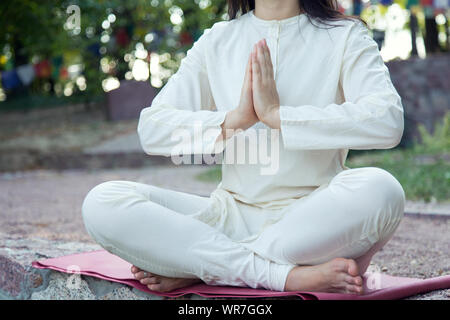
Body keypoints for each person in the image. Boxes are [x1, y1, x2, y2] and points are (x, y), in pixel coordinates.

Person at [82, 0, 405, 294]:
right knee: (104, 202)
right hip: (229, 215)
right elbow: (152, 129)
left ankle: (206, 266)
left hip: (313, 220)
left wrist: (279, 117)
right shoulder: (217, 40)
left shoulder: (345, 35)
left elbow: (387, 120)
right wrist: (235, 120)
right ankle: (280, 275)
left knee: (381, 188)